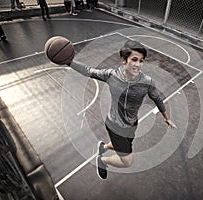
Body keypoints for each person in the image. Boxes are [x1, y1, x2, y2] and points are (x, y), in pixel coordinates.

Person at [68, 40, 177, 180]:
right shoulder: (111, 75)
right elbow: (88, 71)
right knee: (127, 161)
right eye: (134, 60)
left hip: (132, 124)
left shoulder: (147, 82)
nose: (138, 65)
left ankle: (103, 147)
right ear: (124, 60)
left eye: (141, 61)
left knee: (122, 145)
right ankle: (102, 161)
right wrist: (69, 62)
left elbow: (158, 99)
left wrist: (166, 118)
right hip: (114, 125)